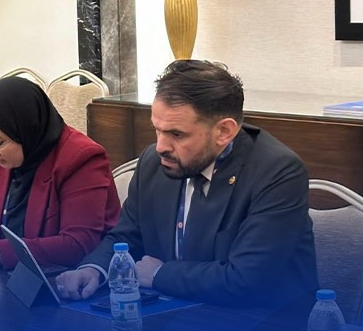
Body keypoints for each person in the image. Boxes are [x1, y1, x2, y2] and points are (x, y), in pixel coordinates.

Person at [57, 60, 317, 307]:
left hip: (261, 324)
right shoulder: (154, 161)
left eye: (176, 134)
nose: (160, 146)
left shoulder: (276, 172)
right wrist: (94, 269)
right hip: (168, 311)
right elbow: (127, 236)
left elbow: (247, 279)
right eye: (157, 129)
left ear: (224, 132)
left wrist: (159, 274)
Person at [0, 77, 119, 273]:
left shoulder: (81, 159)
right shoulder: (2, 157)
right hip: (7, 278)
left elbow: (77, 244)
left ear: (26, 131)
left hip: (67, 279)